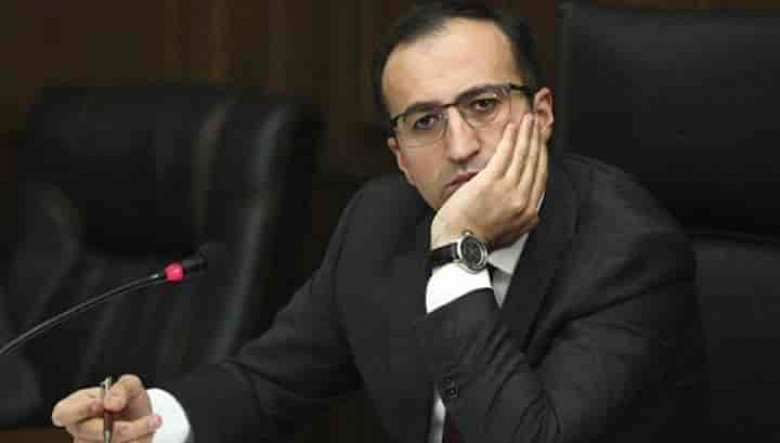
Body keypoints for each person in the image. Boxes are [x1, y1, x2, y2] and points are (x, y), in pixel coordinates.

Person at [51, 1, 707, 442]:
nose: (460, 146)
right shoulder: (378, 221)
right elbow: (270, 382)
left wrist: (456, 255)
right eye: (425, 121)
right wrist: (156, 418)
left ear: (540, 115)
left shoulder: (628, 250)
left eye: (483, 104)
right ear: (399, 158)